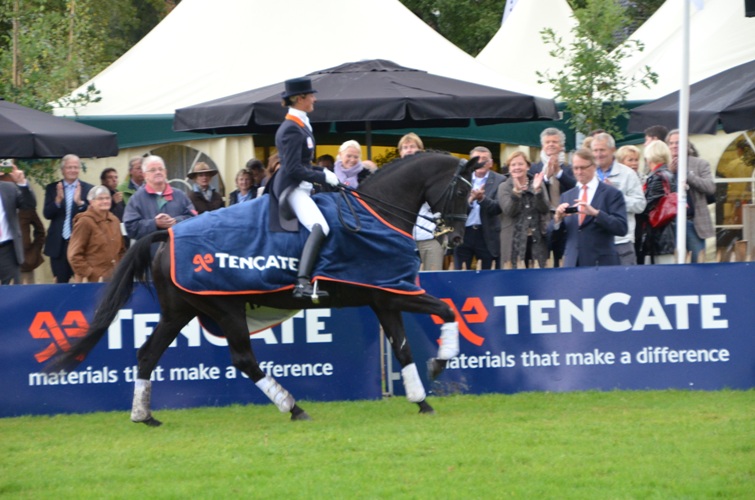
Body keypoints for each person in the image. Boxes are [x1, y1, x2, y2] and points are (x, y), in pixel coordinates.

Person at [270, 77, 339, 300]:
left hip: (303, 185)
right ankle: (301, 282)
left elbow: (303, 163)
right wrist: (323, 176)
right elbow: (293, 169)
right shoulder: (290, 128)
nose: (314, 99)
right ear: (300, 99)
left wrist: (321, 173)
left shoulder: (301, 123)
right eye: (311, 96)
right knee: (321, 226)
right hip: (292, 189)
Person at [549, 148, 628, 267]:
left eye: (583, 168)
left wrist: (596, 214)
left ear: (594, 166)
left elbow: (621, 228)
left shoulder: (611, 193)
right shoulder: (567, 196)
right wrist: (557, 220)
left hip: (601, 263)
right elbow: (555, 238)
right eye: (576, 168)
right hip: (573, 263)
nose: (579, 172)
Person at [591, 133, 646, 265]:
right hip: (594, 242)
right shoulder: (588, 174)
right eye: (595, 150)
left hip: (621, 242)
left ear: (612, 150)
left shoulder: (628, 174)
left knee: (625, 284)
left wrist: (617, 196)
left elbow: (640, 205)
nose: (598, 154)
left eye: (602, 150)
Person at [666, 129, 716, 263]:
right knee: (671, 265)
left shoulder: (700, 164)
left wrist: (687, 175)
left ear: (686, 145)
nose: (674, 146)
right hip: (669, 224)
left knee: (698, 265)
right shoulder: (663, 166)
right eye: (671, 143)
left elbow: (710, 188)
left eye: (678, 143)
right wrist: (670, 174)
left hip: (693, 222)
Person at [43, 154, 94, 283]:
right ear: (62, 170)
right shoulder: (52, 188)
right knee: (60, 282)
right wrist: (57, 201)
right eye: (69, 167)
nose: (73, 170)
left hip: (80, 242)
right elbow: (47, 214)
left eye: (76, 167)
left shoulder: (88, 188)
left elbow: (93, 215)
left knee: (81, 282)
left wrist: (80, 203)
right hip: (59, 244)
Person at [529, 128, 576, 267]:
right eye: (547, 142)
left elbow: (575, 188)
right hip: (542, 222)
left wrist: (559, 173)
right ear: (542, 145)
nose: (551, 144)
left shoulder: (570, 168)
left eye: (554, 142)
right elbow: (532, 191)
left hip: (565, 220)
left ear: (561, 146)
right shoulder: (534, 168)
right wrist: (546, 177)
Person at [454, 146, 505, 270]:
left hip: (487, 234)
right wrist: (471, 200)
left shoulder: (500, 180)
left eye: (485, 159)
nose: (481, 162)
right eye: (477, 159)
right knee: (461, 274)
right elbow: (454, 208)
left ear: (491, 163)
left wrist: (482, 199)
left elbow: (498, 207)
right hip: (463, 233)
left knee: (488, 275)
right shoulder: (460, 179)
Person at [123, 155, 197, 241]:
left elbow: (194, 218)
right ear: (144, 175)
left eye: (160, 169)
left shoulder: (180, 195)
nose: (158, 172)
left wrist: (176, 221)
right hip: (150, 252)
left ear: (165, 172)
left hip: (178, 249)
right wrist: (154, 224)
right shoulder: (136, 199)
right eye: (153, 170)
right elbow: (130, 227)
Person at [497, 151, 550, 269]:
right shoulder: (504, 187)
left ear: (528, 166)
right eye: (513, 165)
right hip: (512, 241)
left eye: (520, 164)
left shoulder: (538, 183)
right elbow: (509, 211)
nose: (517, 168)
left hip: (536, 240)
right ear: (509, 169)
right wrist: (515, 194)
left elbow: (545, 208)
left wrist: (537, 192)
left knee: (537, 276)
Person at [399, 134, 443, 271]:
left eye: (412, 146)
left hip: (430, 237)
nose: (409, 150)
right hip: (405, 239)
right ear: (400, 153)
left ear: (421, 151)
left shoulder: (433, 173)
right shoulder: (395, 176)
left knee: (434, 279)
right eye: (405, 147)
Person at [67, 185, 125, 282]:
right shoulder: (84, 222)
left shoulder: (114, 221)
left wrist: (120, 270)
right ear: (91, 202)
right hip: (91, 281)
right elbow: (74, 255)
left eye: (107, 198)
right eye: (100, 199)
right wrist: (90, 273)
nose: (105, 201)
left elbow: (121, 250)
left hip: (114, 279)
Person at [0, 162, 36, 285]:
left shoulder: (8, 188)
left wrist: (21, 183)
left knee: (11, 294)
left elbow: (29, 205)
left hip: (7, 250)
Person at [641, 140, 677, 265]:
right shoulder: (668, 174)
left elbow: (646, 206)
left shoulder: (656, 176)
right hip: (667, 232)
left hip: (658, 236)